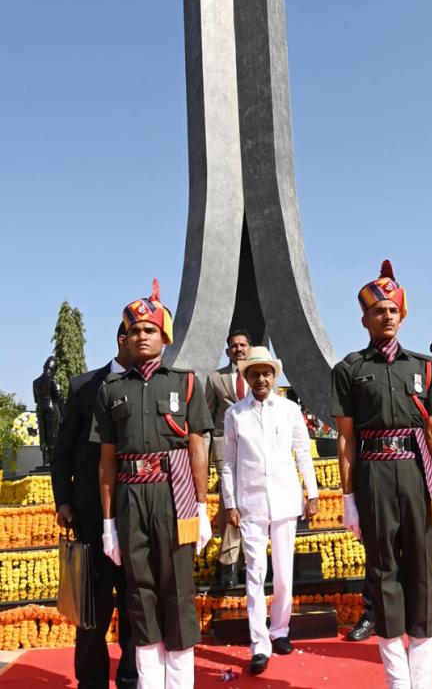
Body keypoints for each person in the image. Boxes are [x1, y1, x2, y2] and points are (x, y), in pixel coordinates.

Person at [332, 260, 432, 689]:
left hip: (417, 471)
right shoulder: (349, 369)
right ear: (363, 318)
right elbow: (346, 439)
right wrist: (348, 497)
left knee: (421, 570)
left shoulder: (423, 367)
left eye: (392, 309)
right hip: (374, 472)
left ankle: (424, 678)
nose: (386, 315)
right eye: (378, 310)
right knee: (382, 572)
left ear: (402, 315)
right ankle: (398, 679)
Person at [94, 280, 213, 689]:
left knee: (177, 590)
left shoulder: (187, 383)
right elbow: (107, 461)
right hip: (130, 497)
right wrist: (109, 523)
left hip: (174, 497)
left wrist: (201, 506)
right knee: (139, 592)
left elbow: (198, 449)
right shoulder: (110, 391)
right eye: (134, 331)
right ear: (124, 339)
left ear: (165, 335)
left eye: (149, 329)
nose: (141, 336)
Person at [222, 346, 319, 676]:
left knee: (282, 573)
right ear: (246, 377)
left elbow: (303, 452)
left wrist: (313, 493)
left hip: (285, 500)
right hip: (250, 503)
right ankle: (259, 643)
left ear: (274, 376)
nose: (260, 378)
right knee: (254, 574)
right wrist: (230, 503)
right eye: (254, 373)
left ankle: (279, 630)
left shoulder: (290, 410)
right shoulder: (235, 414)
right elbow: (228, 464)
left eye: (266, 373)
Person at [51, 325, 137, 689]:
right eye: (139, 333)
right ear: (123, 339)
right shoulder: (84, 386)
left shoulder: (153, 385)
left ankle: (133, 679)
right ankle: (91, 681)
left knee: (136, 608)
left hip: (138, 515)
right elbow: (63, 450)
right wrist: (64, 500)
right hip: (90, 516)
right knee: (93, 612)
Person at [204, 329, 251, 588]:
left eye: (243, 345)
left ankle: (243, 559)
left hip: (255, 448)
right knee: (229, 501)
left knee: (251, 500)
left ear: (250, 348)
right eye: (234, 346)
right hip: (225, 446)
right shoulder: (215, 379)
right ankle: (230, 561)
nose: (239, 349)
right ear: (228, 351)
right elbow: (208, 418)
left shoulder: (262, 376)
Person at [33, 356, 64, 465]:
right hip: (52, 407)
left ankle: (44, 461)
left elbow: (36, 399)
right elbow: (59, 396)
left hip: (40, 407)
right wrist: (63, 413)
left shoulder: (35, 382)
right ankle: (52, 460)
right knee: (52, 433)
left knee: (43, 433)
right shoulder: (53, 380)